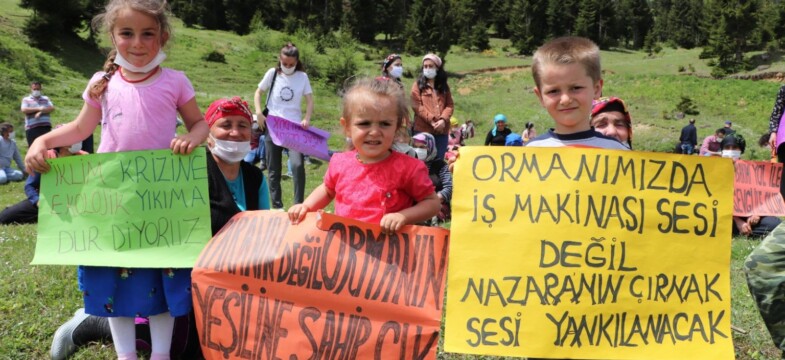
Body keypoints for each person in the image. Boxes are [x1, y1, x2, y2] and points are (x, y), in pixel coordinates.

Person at [25, 1, 210, 359]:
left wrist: (194, 137)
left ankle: (160, 354)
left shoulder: (175, 81)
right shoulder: (101, 83)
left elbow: (198, 123)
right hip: (114, 203)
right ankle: (124, 354)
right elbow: (80, 128)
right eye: (127, 33)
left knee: (161, 274)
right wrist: (43, 140)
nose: (137, 43)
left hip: (161, 203)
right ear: (113, 36)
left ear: (163, 37)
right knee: (114, 277)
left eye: (147, 34)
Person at [50, 97, 270, 360]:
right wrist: (73, 165)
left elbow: (265, 229)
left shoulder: (255, 178)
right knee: (177, 345)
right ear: (208, 131)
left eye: (243, 125)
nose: (235, 132)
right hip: (189, 281)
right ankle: (91, 323)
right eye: (226, 125)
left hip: (232, 284)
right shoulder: (182, 168)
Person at [288, 77, 440, 234]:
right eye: (364, 123)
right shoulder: (340, 162)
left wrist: (403, 216)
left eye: (385, 124)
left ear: (396, 126)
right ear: (347, 127)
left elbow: (432, 203)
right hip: (345, 252)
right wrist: (306, 206)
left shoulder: (409, 168)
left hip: (387, 255)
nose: (374, 132)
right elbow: (327, 190)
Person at [527, 36, 628, 150]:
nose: (565, 100)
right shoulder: (529, 153)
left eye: (576, 88)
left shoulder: (618, 152)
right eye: (553, 91)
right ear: (540, 96)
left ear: (596, 89)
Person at [253, 42, 314, 209]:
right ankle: (277, 206)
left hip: (294, 127)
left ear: (297, 62)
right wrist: (259, 113)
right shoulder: (273, 73)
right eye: (284, 63)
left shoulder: (302, 77)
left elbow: (309, 100)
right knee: (274, 169)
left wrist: (307, 118)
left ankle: (298, 204)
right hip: (273, 125)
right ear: (279, 60)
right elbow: (258, 92)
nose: (287, 67)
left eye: (291, 64)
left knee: (298, 165)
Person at [0, 133, 84, 225]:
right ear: (62, 143)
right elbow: (30, 186)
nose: (78, 142)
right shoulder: (45, 158)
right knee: (5, 217)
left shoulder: (84, 158)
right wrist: (37, 201)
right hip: (47, 202)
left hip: (75, 203)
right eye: (74, 138)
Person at [719, 134, 782, 238]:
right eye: (727, 148)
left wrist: (757, 213)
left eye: (734, 147)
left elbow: (760, 195)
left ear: (741, 150)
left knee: (776, 225)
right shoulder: (716, 170)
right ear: (722, 150)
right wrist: (738, 221)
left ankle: (743, 231)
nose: (730, 151)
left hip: (749, 214)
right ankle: (742, 230)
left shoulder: (751, 169)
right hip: (727, 216)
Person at [411, 53, 454, 161]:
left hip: (441, 131)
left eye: (431, 66)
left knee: (438, 162)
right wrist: (432, 120)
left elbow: (450, 105)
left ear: (437, 68)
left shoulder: (444, 86)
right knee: (421, 161)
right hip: (422, 130)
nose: (427, 69)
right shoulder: (417, 85)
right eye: (425, 66)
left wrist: (443, 120)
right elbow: (416, 106)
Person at [411, 132, 452, 225]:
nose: (417, 150)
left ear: (430, 147)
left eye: (422, 147)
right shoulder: (409, 164)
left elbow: (449, 187)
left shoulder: (440, 165)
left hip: (437, 203)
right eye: (415, 146)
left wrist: (433, 201)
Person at [20, 81, 55, 147]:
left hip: (45, 127)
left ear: (41, 89)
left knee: (47, 148)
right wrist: (39, 109)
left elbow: (51, 108)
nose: (36, 91)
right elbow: (24, 109)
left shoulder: (46, 98)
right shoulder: (26, 99)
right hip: (32, 128)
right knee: (34, 148)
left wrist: (41, 112)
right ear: (31, 89)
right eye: (34, 89)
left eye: (38, 89)